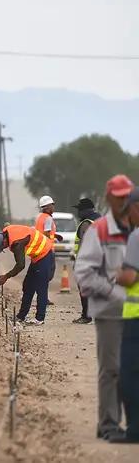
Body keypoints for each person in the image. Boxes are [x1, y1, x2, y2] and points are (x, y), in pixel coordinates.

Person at [76, 174, 134, 442]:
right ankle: (108, 423)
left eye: (127, 196)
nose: (124, 201)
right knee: (111, 369)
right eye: (119, 196)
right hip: (110, 311)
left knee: (132, 369)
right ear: (110, 198)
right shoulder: (98, 230)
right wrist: (114, 291)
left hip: (134, 312)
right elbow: (84, 274)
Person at [0, 223, 55, 325]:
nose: (4, 248)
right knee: (28, 286)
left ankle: (39, 318)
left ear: (4, 240)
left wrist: (6, 276)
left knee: (41, 288)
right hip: (37, 257)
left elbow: (20, 265)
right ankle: (21, 316)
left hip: (45, 253)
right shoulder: (7, 231)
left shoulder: (17, 243)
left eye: (3, 247)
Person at [115, 187, 139, 443]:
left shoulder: (136, 237)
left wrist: (116, 275)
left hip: (136, 318)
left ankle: (134, 430)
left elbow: (130, 276)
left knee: (129, 375)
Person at [72, 197, 101, 324]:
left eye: (80, 210)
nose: (78, 213)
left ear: (85, 211)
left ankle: (86, 316)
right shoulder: (100, 219)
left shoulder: (86, 224)